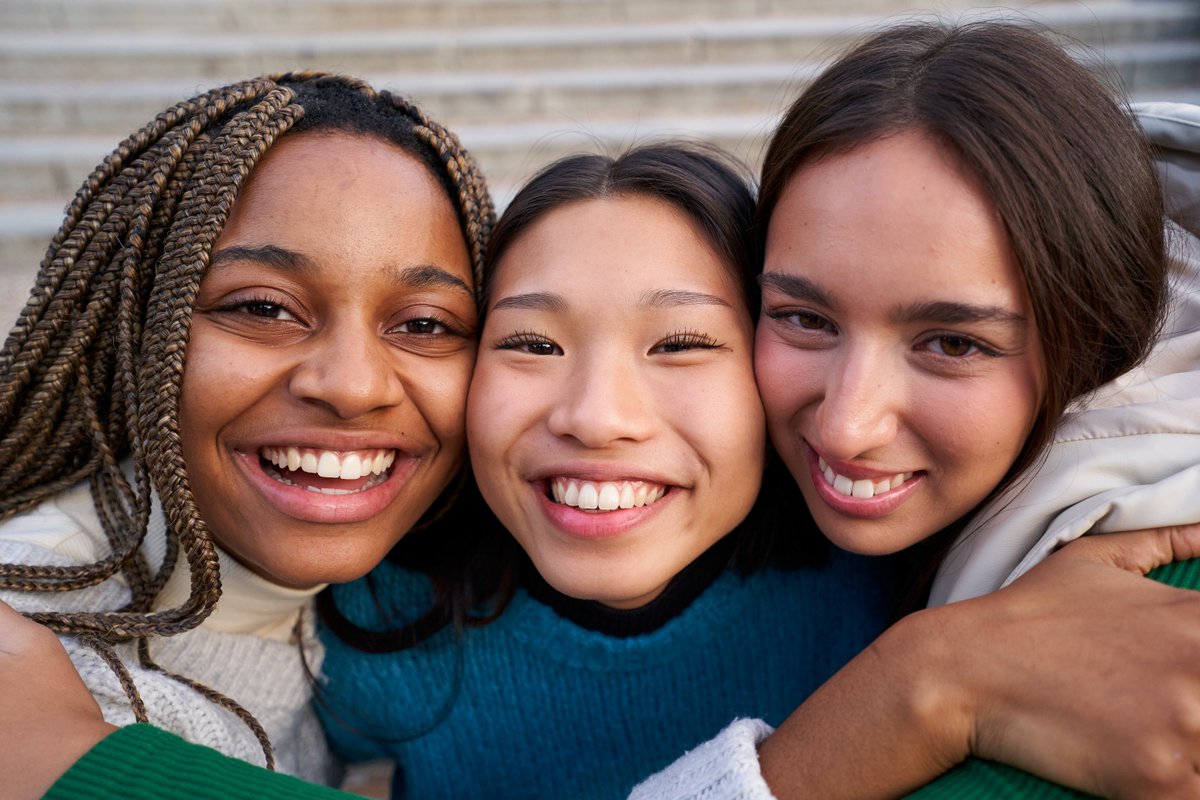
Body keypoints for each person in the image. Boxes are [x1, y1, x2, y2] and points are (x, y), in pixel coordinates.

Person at [5, 22, 1200, 800]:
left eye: (684, 342)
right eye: (526, 341)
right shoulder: (383, 612)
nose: (845, 424)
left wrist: (79, 764)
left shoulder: (975, 580)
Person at [637, 20, 1200, 800]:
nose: (845, 425)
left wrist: (928, 682)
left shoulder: (1150, 623)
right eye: (805, 317)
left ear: (1099, 340)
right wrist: (936, 668)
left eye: (953, 344)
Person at [0, 71, 494, 784]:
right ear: (134, 332)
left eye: (424, 324)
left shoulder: (406, 598)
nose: (354, 386)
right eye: (264, 308)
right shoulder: (39, 664)